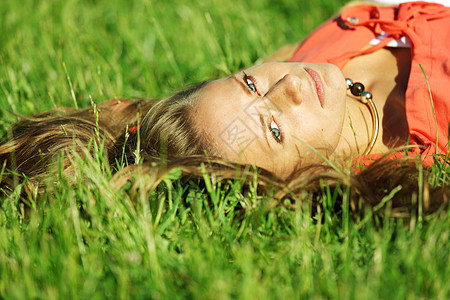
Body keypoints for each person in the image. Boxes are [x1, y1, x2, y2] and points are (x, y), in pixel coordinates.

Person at [1, 1, 449, 213]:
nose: (290, 83)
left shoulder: (306, 57)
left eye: (250, 81)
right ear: (306, 178)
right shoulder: (430, 130)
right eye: (275, 130)